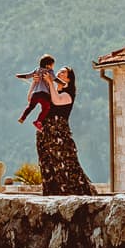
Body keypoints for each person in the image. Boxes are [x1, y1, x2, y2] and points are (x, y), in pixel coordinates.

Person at [36, 66, 96, 196]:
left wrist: (51, 83)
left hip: (58, 133)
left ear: (68, 79)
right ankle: (52, 193)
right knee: (48, 163)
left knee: (65, 163)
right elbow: (33, 98)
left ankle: (78, 193)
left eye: (63, 72)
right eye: (59, 71)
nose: (59, 72)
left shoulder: (68, 95)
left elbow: (57, 101)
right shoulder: (51, 91)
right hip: (45, 133)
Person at [16, 54, 64, 131]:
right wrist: (63, 83)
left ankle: (22, 118)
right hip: (44, 95)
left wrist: (19, 76)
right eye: (52, 65)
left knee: (30, 107)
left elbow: (28, 75)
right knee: (46, 108)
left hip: (35, 94)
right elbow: (55, 79)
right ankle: (38, 121)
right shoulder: (50, 71)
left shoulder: (37, 70)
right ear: (48, 65)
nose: (53, 67)